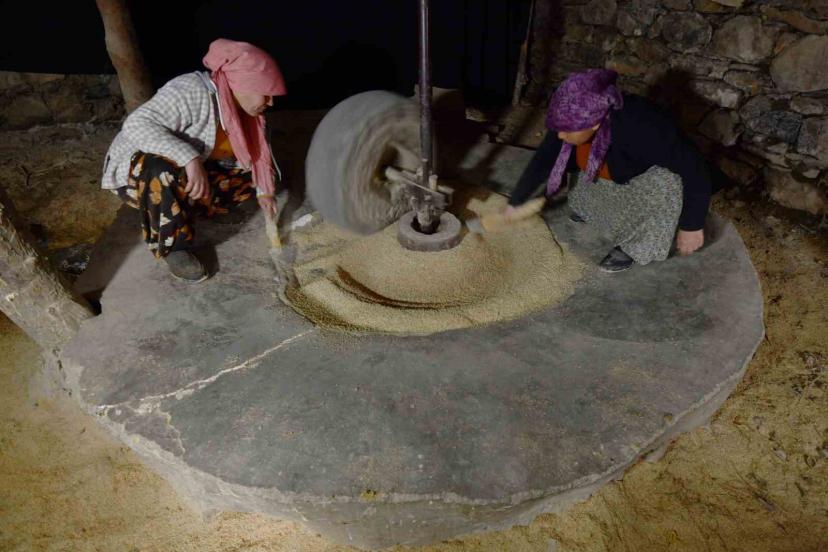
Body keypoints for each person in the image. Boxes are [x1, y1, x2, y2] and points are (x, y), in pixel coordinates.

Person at [100, 38, 286, 282]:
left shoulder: (247, 113)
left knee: (245, 173)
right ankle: (174, 247)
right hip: (141, 176)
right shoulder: (191, 90)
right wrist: (190, 159)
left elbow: (260, 156)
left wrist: (265, 193)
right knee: (160, 170)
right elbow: (136, 125)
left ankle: (206, 208)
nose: (271, 102)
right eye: (266, 94)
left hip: (193, 168)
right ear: (243, 83)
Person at [506, 68, 726, 272]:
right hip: (613, 166)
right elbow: (544, 158)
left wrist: (692, 226)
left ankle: (634, 246)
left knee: (667, 186)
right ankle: (589, 208)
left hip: (645, 173)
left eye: (565, 130)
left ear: (594, 124)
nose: (560, 134)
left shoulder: (644, 127)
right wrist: (516, 201)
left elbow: (695, 169)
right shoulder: (574, 116)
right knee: (581, 157)